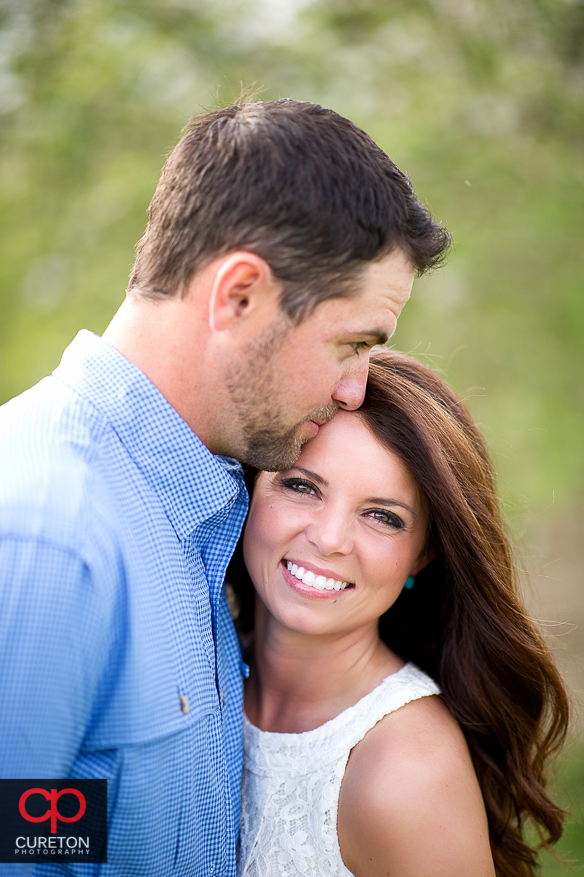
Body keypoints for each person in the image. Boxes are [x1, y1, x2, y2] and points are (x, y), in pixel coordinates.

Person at [0, 99, 450, 875]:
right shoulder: (51, 539)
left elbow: (40, 825)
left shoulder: (195, 513)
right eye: (352, 344)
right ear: (238, 294)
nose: (353, 389)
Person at [228, 349, 570, 877]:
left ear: (424, 554)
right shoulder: (196, 662)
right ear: (252, 487)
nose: (329, 538)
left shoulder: (406, 771)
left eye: (382, 517)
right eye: (301, 486)